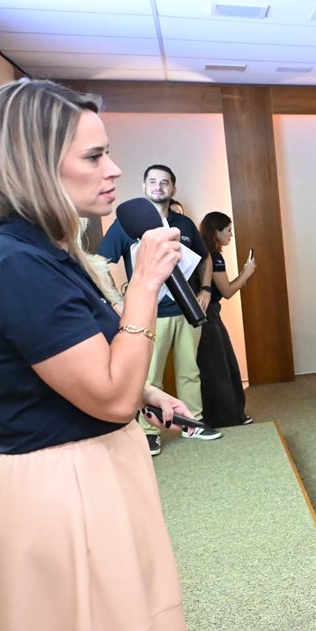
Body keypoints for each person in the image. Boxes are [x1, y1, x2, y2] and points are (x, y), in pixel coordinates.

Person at [0, 79, 201, 631]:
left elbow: (88, 366)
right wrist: (145, 284)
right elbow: (108, 391)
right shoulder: (15, 264)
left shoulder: (49, 252)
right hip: (61, 489)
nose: (115, 170)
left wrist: (146, 393)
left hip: (94, 470)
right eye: (94, 156)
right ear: (34, 165)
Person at [97, 163, 221, 455]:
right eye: (152, 181)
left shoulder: (184, 224)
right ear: (144, 187)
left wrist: (205, 289)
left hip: (186, 312)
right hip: (150, 315)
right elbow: (99, 263)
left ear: (173, 188)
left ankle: (193, 422)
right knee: (147, 376)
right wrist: (117, 301)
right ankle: (149, 431)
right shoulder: (126, 226)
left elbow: (204, 258)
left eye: (164, 182)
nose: (158, 187)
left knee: (190, 371)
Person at [196, 211, 256, 428]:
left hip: (203, 315)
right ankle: (228, 417)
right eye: (228, 230)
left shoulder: (201, 253)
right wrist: (247, 272)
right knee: (222, 368)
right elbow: (227, 291)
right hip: (209, 316)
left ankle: (226, 415)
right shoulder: (214, 257)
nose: (231, 235)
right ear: (216, 232)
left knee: (215, 367)